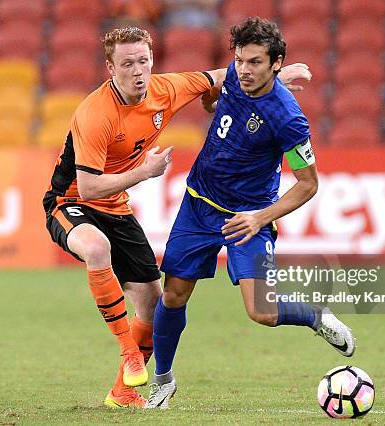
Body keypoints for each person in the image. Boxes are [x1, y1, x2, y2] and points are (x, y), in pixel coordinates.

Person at [42, 27, 312, 409]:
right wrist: (144, 173)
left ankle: (122, 393)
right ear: (109, 67)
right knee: (96, 247)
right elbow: (88, 189)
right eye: (127, 64)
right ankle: (128, 354)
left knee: (155, 305)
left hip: (116, 207)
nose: (137, 71)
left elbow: (221, 77)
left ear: (152, 60)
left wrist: (276, 80)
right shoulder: (94, 113)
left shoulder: (166, 89)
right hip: (69, 202)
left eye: (143, 61)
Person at [145, 18, 355, 409]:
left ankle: (315, 317)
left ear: (275, 63)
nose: (244, 69)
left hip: (247, 216)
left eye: (255, 62)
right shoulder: (233, 76)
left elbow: (308, 184)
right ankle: (163, 381)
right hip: (199, 204)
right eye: (240, 60)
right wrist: (213, 99)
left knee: (261, 310)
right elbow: (213, 98)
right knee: (173, 295)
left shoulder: (288, 118)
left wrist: (260, 217)